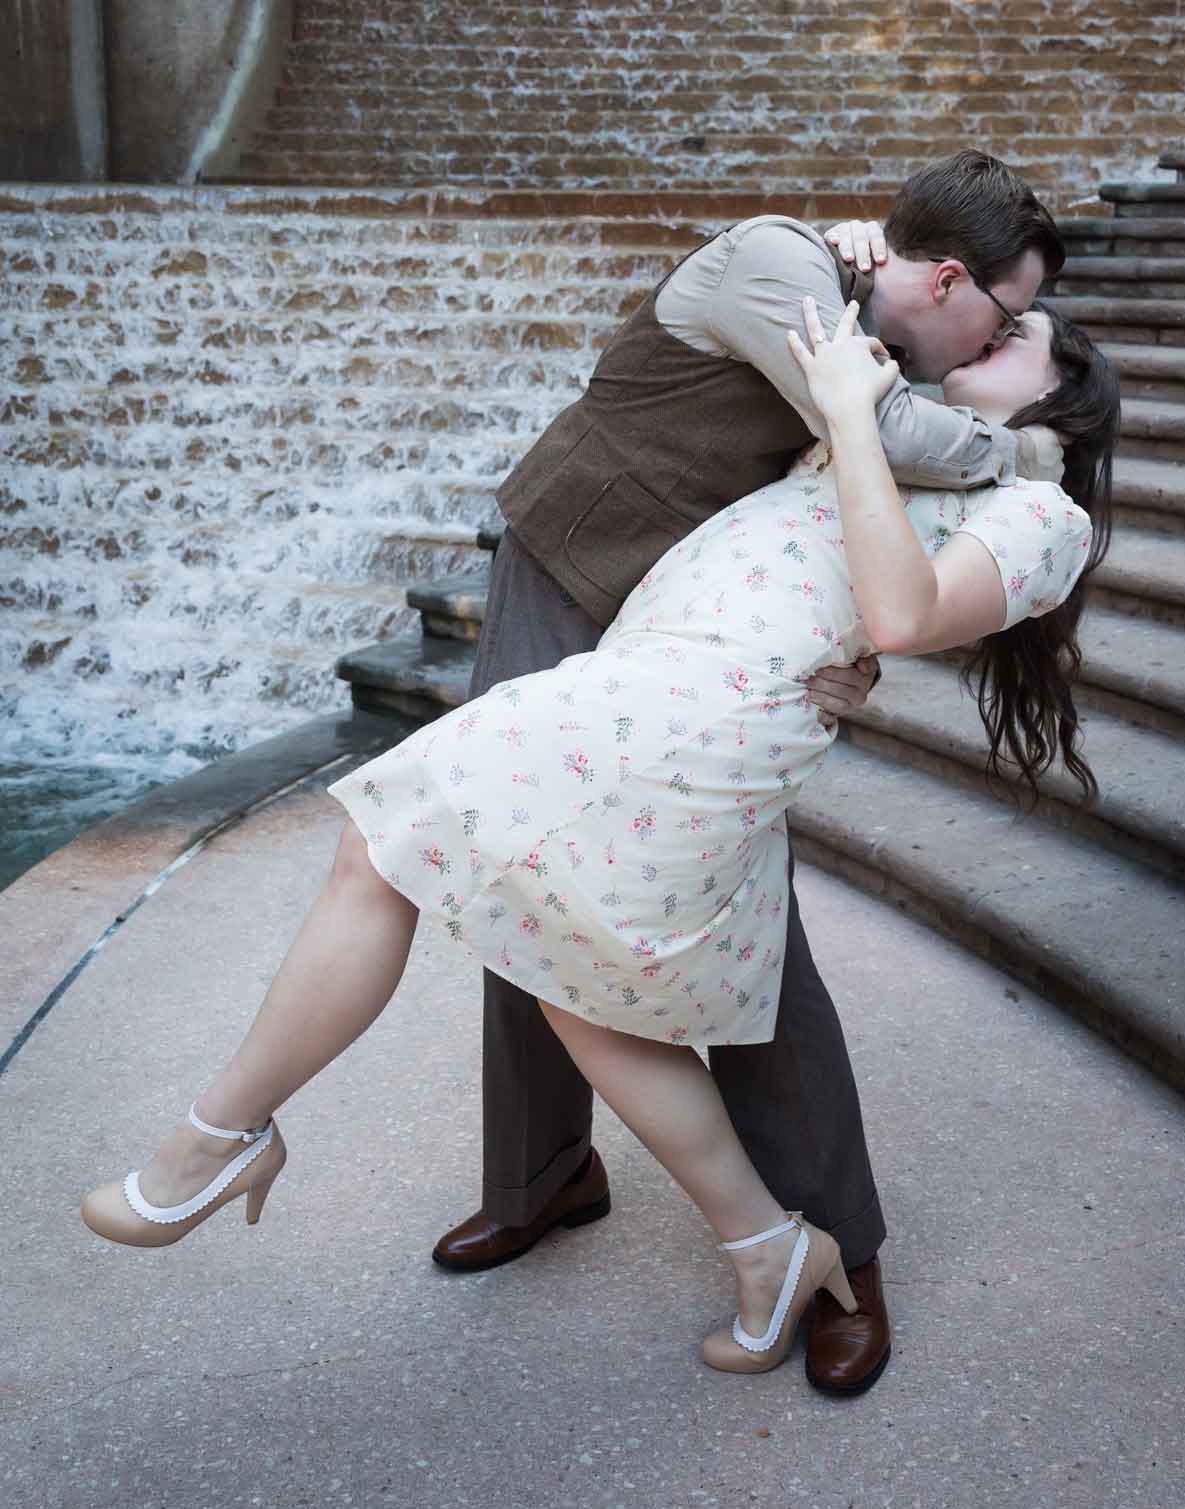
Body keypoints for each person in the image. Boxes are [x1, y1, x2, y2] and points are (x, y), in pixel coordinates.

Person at [82, 291, 1121, 1388]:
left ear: (1066, 396)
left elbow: (906, 610)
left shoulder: (1042, 509)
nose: (986, 339)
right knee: (582, 994)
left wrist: (852, 426)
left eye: (1015, 342)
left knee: (381, 843)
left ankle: (215, 1138)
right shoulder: (929, 443)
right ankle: (768, 1245)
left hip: (686, 714)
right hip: (655, 689)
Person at [427, 149, 1070, 1400]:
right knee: (516, 868)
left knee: (750, 925)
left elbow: (844, 513)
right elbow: (875, 436)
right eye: (1003, 313)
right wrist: (1026, 455)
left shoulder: (878, 340)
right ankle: (542, 1175)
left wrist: (848, 660)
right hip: (572, 571)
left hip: (697, 638)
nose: (1001, 340)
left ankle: (843, 1254)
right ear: (949, 278)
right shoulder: (781, 266)